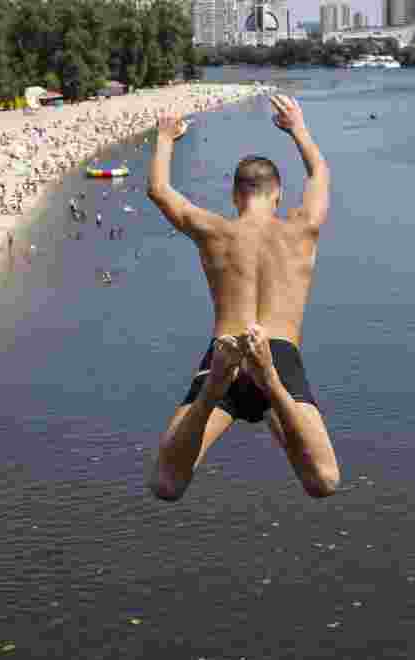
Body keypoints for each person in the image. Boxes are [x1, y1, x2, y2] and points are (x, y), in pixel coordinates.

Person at [146, 95, 339, 501]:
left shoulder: (214, 232)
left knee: (166, 485)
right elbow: (320, 172)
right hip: (278, 356)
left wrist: (166, 137)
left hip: (225, 353)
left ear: (235, 196)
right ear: (278, 194)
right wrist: (297, 128)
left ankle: (215, 388)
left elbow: (160, 190)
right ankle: (270, 384)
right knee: (323, 481)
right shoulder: (301, 231)